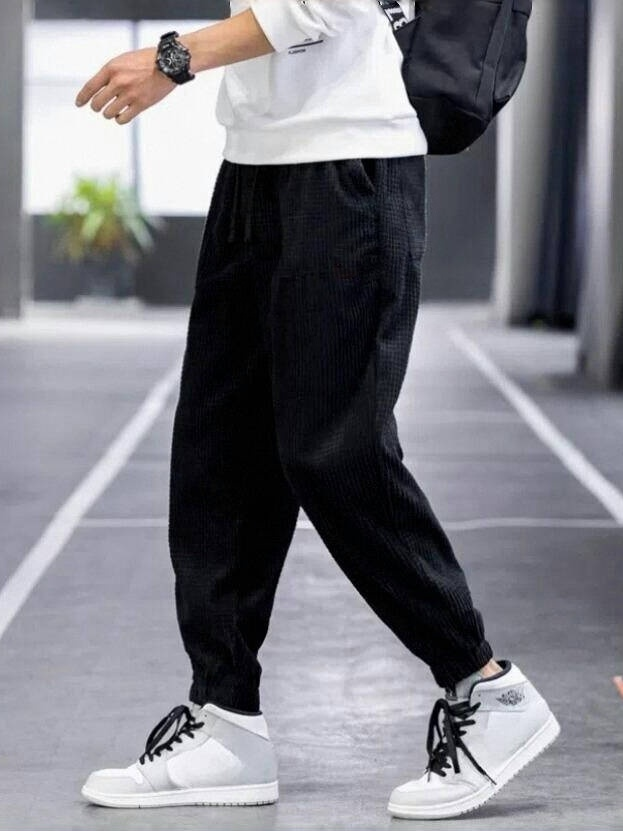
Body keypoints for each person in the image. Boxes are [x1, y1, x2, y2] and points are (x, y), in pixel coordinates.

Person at [76, 1, 559, 819]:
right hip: (258, 157)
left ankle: (483, 683)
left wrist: (173, 58)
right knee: (220, 449)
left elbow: (323, 6)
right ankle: (225, 715)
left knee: (335, 450)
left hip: (351, 161)